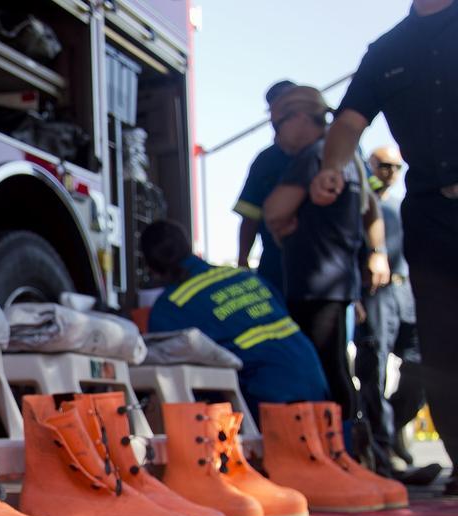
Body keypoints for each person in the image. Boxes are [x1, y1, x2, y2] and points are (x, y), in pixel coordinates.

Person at [308, 0, 457, 491]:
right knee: (441, 343)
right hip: (431, 212)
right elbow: (349, 122)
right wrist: (332, 167)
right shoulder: (387, 50)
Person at [262, 85, 389, 428]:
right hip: (337, 281)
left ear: (301, 117)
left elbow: (274, 211)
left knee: (323, 371)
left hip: (316, 284)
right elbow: (372, 209)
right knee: (335, 367)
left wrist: (280, 221)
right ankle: (347, 449)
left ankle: (340, 450)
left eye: (277, 124)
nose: (275, 135)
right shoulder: (346, 157)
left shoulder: (315, 155)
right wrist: (377, 253)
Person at [142, 219, 330, 417]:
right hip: (314, 376)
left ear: (151, 267)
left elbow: (168, 372)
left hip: (271, 396)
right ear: (188, 247)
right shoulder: (245, 277)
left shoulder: (170, 307)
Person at [354, 146, 440, 483]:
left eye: (396, 166)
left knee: (420, 370)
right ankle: (383, 448)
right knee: (372, 369)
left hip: (409, 293)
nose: (390, 171)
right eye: (383, 165)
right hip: (376, 292)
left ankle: (390, 432)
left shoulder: (406, 204)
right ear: (370, 166)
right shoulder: (361, 200)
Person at [234, 79, 296, 295]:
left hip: (332, 273)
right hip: (277, 270)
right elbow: (250, 216)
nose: (279, 118)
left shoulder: (336, 148)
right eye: (274, 111)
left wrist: (375, 253)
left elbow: (367, 205)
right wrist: (242, 261)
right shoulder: (265, 161)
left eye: (287, 108)